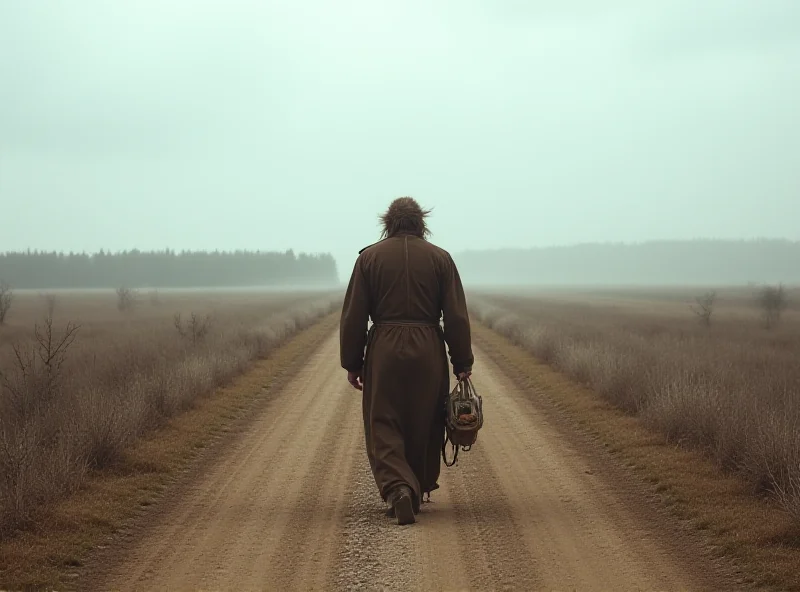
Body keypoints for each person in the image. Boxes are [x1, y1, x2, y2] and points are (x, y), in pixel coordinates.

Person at [339, 196, 474, 525]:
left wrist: (353, 362)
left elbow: (354, 316)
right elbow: (456, 316)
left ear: (388, 222)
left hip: (384, 348)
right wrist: (462, 361)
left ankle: (399, 488)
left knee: (383, 421)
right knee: (426, 419)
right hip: (428, 346)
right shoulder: (441, 259)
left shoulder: (368, 259)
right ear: (421, 223)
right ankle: (416, 484)